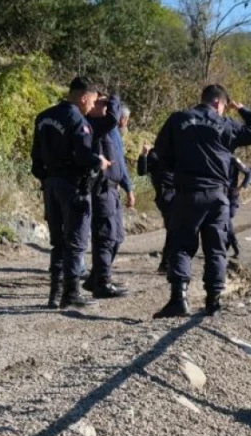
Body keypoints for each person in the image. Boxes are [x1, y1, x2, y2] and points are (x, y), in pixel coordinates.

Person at [152, 84, 251, 318]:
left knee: (181, 245)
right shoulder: (226, 124)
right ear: (219, 103)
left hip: (187, 192)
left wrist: (177, 171)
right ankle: (213, 302)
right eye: (226, 106)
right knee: (216, 249)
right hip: (217, 195)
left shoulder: (178, 119)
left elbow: (160, 153)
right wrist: (243, 110)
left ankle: (178, 299)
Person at [31, 76, 110, 309]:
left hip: (51, 185)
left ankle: (55, 293)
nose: (93, 106)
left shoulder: (43, 117)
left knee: (58, 242)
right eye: (93, 100)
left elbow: (35, 160)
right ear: (83, 97)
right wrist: (100, 162)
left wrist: (46, 179)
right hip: (73, 186)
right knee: (75, 240)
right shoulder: (78, 120)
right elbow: (84, 156)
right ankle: (72, 292)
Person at [84, 94, 128, 298]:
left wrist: (128, 186)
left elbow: (119, 158)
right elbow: (113, 117)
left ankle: (97, 276)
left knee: (117, 236)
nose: (105, 107)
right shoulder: (93, 124)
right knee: (105, 236)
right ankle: (102, 282)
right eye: (101, 103)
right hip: (101, 188)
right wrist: (113, 97)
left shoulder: (110, 131)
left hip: (113, 187)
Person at [138, 143, 175, 273]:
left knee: (176, 229)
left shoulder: (180, 150)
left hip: (179, 194)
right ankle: (166, 264)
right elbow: (142, 172)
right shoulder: (155, 153)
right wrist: (143, 154)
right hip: (166, 195)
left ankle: (168, 263)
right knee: (173, 228)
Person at [227, 156, 251, 258]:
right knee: (225, 219)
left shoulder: (233, 159)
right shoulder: (214, 156)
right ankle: (232, 245)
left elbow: (248, 173)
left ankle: (231, 244)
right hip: (220, 194)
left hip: (231, 195)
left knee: (227, 217)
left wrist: (241, 188)